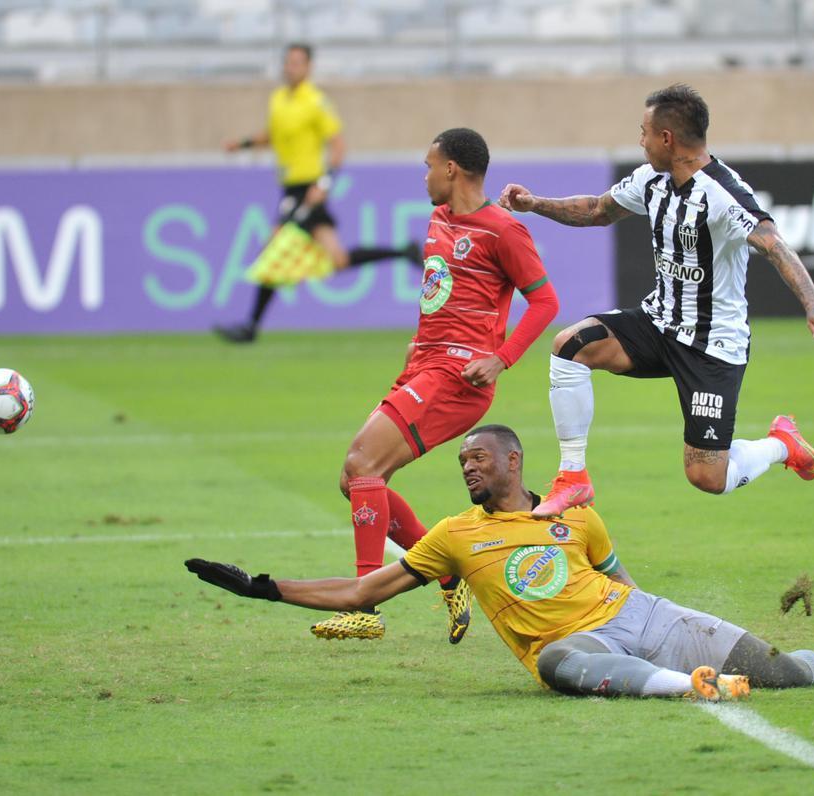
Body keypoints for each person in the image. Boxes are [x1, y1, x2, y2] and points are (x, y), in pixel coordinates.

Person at [186, 424, 814, 700]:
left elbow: (622, 580)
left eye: (476, 457)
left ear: (511, 460)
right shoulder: (455, 536)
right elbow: (361, 593)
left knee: (778, 670)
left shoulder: (574, 513)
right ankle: (691, 686)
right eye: (461, 460)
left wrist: (664, 616)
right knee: (558, 668)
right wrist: (265, 588)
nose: (465, 467)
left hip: (642, 618)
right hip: (572, 645)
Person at [498, 84, 814, 519]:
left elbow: (773, 244)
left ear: (667, 139)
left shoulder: (722, 193)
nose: (639, 141)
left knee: (706, 477)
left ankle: (780, 444)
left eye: (643, 132)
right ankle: (573, 478)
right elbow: (598, 210)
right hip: (658, 323)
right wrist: (535, 204)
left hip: (711, 344)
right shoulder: (651, 180)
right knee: (569, 346)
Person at [310, 128, 560, 642]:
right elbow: (441, 293)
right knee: (355, 480)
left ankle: (365, 603)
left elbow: (546, 303)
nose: (423, 175)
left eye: (429, 165)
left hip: (460, 376)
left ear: (451, 169)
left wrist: (501, 359)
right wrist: (418, 345)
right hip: (426, 364)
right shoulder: (438, 219)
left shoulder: (503, 231)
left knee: (362, 464)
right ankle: (449, 573)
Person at [215, 43, 418, 344]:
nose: (290, 68)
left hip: (307, 188)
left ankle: (250, 327)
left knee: (272, 250)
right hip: (292, 188)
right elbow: (272, 135)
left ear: (308, 67)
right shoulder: (278, 99)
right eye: (288, 62)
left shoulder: (317, 102)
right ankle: (403, 252)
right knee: (337, 260)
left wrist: (322, 185)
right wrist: (243, 144)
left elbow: (338, 148)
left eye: (297, 63)